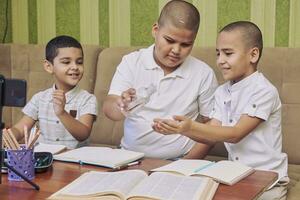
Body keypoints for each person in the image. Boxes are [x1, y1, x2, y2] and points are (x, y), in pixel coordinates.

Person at [153, 21, 289, 199]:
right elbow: (212, 133)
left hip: (268, 179)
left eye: (228, 53)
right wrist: (179, 131)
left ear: (253, 55)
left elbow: (235, 134)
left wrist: (190, 127)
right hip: (237, 175)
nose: (220, 61)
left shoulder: (264, 91)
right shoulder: (222, 92)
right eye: (218, 54)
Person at [103, 0, 218, 159]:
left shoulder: (203, 73)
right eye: (170, 41)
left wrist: (185, 164)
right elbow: (110, 110)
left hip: (180, 160)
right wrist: (121, 105)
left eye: (186, 44)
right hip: (128, 156)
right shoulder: (132, 62)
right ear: (155, 30)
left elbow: (213, 127)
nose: (176, 51)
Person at [7, 35, 98, 149]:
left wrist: (62, 113)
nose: (75, 67)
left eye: (79, 62)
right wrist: (7, 136)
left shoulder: (87, 99)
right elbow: (20, 130)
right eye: (66, 62)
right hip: (44, 158)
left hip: (74, 161)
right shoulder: (39, 99)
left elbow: (83, 134)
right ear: (49, 66)